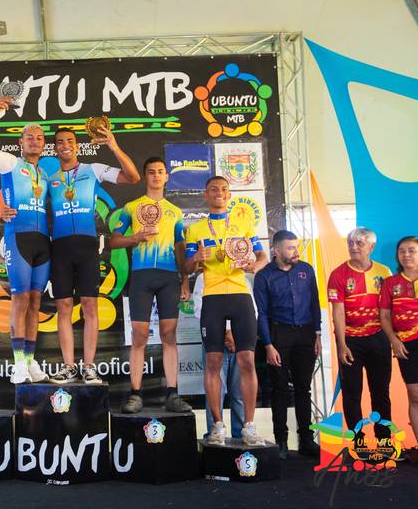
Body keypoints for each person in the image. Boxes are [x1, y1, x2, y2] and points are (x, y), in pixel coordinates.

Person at [48, 127, 141, 384]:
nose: (65, 145)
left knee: (90, 305)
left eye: (70, 141)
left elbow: (133, 177)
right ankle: (68, 367)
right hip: (60, 248)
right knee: (64, 307)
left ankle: (89, 367)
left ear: (77, 146)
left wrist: (112, 144)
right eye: (59, 142)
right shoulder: (48, 178)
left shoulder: (94, 169)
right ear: (55, 148)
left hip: (87, 246)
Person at [184, 176, 268, 446]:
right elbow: (187, 267)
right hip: (212, 296)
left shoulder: (244, 224)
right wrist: (195, 258)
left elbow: (262, 256)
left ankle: (249, 427)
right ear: (205, 195)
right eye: (213, 189)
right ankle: (217, 426)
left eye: (223, 189)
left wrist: (254, 266)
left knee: (247, 362)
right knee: (213, 363)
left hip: (240, 295)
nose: (219, 193)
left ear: (229, 195)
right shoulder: (195, 229)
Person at [0, 96, 50, 384]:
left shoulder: (46, 173)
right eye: (29, 137)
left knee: (35, 301)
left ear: (44, 144)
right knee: (20, 300)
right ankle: (18, 363)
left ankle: (30, 361)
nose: (35, 141)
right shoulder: (10, 163)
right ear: (20, 143)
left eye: (39, 138)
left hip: (43, 242)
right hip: (18, 238)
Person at [109, 156, 191, 412]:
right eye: (151, 172)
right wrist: (135, 238)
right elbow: (114, 241)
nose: (156, 175)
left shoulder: (175, 212)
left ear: (167, 177)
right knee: (139, 336)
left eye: (160, 172)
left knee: (169, 334)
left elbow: (180, 248)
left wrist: (185, 280)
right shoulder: (131, 207)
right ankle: (135, 394)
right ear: (145, 177)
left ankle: (172, 394)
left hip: (168, 277)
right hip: (141, 276)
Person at [254, 230, 321, 458]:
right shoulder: (264, 276)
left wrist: (317, 334)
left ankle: (306, 440)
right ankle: (281, 441)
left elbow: (315, 303)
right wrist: (268, 344)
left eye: (297, 247)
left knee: (304, 388)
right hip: (278, 334)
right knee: (280, 389)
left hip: (306, 333)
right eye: (291, 248)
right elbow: (262, 313)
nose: (296, 251)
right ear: (276, 250)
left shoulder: (306, 270)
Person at [327, 227, 392, 442]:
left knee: (380, 393)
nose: (354, 247)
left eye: (359, 243)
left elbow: (389, 310)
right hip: (351, 342)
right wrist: (341, 344)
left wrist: (394, 338)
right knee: (352, 393)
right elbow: (337, 312)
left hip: (378, 338)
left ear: (371, 247)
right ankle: (358, 442)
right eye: (350, 243)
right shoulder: (338, 274)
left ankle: (384, 440)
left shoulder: (384, 272)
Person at [379, 236, 418, 468]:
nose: (406, 255)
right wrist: (394, 341)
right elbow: (384, 316)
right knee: (417, 396)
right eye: (402, 251)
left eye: (412, 251)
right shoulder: (390, 283)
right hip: (407, 347)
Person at [193, 271, 246, 439]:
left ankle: (241, 435)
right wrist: (227, 333)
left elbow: (252, 310)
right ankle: (215, 433)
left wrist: (236, 334)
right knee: (215, 393)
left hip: (240, 341)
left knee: (240, 393)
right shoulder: (203, 278)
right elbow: (200, 310)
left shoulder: (241, 277)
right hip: (214, 341)